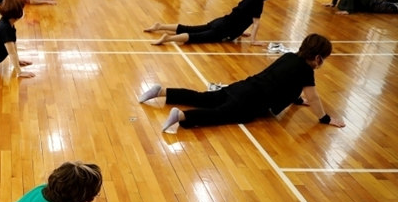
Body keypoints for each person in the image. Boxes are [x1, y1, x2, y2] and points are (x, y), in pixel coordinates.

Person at [137, 33, 345, 132]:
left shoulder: (290, 57)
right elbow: (314, 96)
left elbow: (283, 80)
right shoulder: (306, 70)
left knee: (205, 97)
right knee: (221, 115)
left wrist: (297, 100)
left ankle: (163, 91)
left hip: (242, 86)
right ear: (318, 58)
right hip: (251, 101)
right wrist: (325, 119)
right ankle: (182, 115)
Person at [145, 0, 273, 46]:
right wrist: (254, 41)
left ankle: (160, 26)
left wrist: (240, 32)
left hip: (221, 21)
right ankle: (168, 38)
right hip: (225, 29)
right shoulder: (258, 1)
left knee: (191, 28)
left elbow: (241, 15)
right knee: (196, 37)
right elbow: (256, 23)